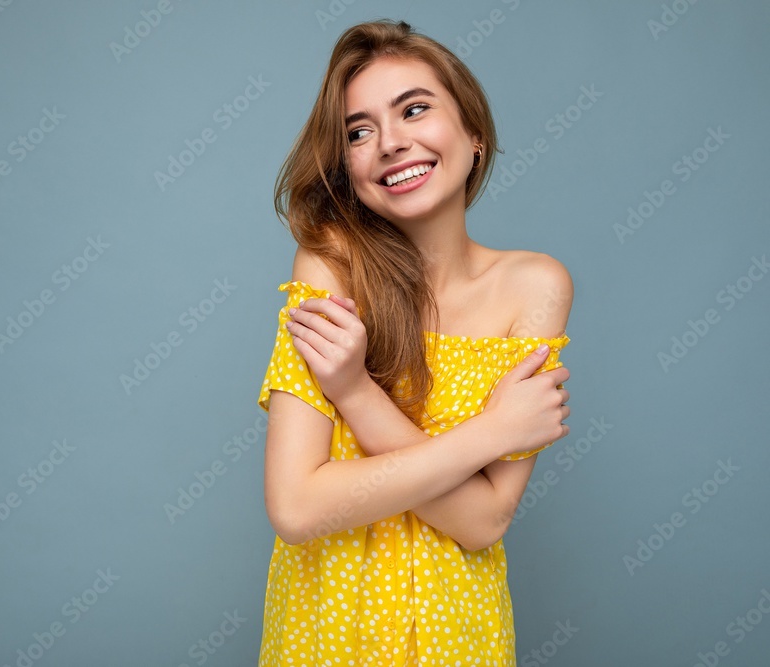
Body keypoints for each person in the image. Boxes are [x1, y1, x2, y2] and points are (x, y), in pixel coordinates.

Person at [255, 19, 574, 666]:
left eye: (415, 109)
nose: (390, 143)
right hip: (328, 633)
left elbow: (483, 522)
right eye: (359, 131)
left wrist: (353, 393)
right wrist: (488, 435)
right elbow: (296, 505)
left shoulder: (534, 285)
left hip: (461, 637)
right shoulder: (328, 265)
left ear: (474, 133)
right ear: (346, 163)